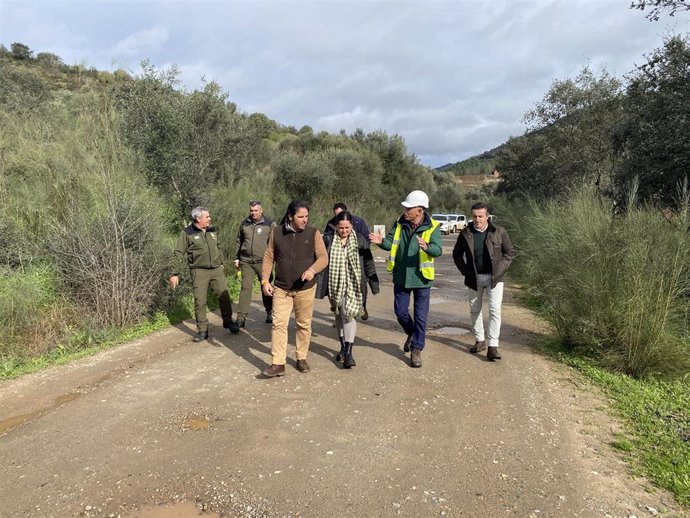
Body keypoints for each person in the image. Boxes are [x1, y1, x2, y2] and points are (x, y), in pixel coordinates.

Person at [369, 190, 442, 368]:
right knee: (400, 312)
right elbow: (389, 244)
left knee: (421, 316)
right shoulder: (399, 224)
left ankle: (416, 349)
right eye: (405, 207)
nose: (405, 210)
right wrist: (380, 241)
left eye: (409, 208)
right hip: (401, 276)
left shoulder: (433, 226)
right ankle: (412, 333)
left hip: (422, 278)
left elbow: (437, 250)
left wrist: (427, 247)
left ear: (420, 210)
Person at [260, 200, 328, 377]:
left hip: (305, 289)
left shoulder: (313, 233)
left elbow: (323, 257)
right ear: (290, 216)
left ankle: (301, 358)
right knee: (278, 324)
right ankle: (278, 364)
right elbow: (269, 256)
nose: (305, 220)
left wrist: (312, 270)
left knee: (303, 325)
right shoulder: (276, 233)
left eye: (306, 216)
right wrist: (265, 280)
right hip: (281, 289)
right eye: (300, 217)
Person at [452, 202, 516, 361]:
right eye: (474, 216)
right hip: (474, 278)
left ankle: (493, 346)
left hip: (495, 278)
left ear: (487, 216)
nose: (477, 219)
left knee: (495, 311)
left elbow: (510, 253)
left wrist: (500, 269)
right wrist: (465, 271)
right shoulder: (466, 233)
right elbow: (457, 254)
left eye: (481, 216)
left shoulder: (499, 232)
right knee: (475, 310)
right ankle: (480, 341)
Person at [317, 211, 380, 368]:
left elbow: (368, 262)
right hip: (334, 284)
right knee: (339, 314)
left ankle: (349, 353)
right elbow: (319, 260)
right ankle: (343, 347)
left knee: (348, 314)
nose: (344, 231)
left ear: (352, 225)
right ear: (336, 226)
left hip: (354, 283)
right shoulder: (329, 239)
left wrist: (373, 283)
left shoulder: (360, 240)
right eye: (341, 227)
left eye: (347, 227)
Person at [169, 207, 240, 342]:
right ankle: (202, 330)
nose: (210, 219)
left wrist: (221, 263)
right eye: (207, 217)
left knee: (224, 296)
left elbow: (217, 246)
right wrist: (174, 273)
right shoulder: (187, 233)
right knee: (200, 301)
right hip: (199, 271)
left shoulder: (211, 230)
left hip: (216, 269)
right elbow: (178, 253)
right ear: (198, 219)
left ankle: (228, 321)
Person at [324, 202, 372, 320]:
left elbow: (366, 238)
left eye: (340, 213)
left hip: (356, 263)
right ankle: (338, 310)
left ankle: (361, 306)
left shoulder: (359, 221)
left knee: (360, 289)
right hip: (337, 266)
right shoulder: (330, 224)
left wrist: (358, 248)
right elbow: (326, 239)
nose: (338, 216)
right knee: (340, 303)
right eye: (336, 215)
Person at [234, 200, 276, 328]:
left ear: (261, 210)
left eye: (256, 210)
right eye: (251, 211)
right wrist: (236, 258)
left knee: (266, 289)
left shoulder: (270, 224)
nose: (253, 213)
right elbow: (238, 241)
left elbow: (274, 243)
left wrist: (274, 259)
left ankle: (269, 311)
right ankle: (241, 318)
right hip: (246, 261)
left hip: (263, 262)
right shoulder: (244, 223)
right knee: (245, 288)